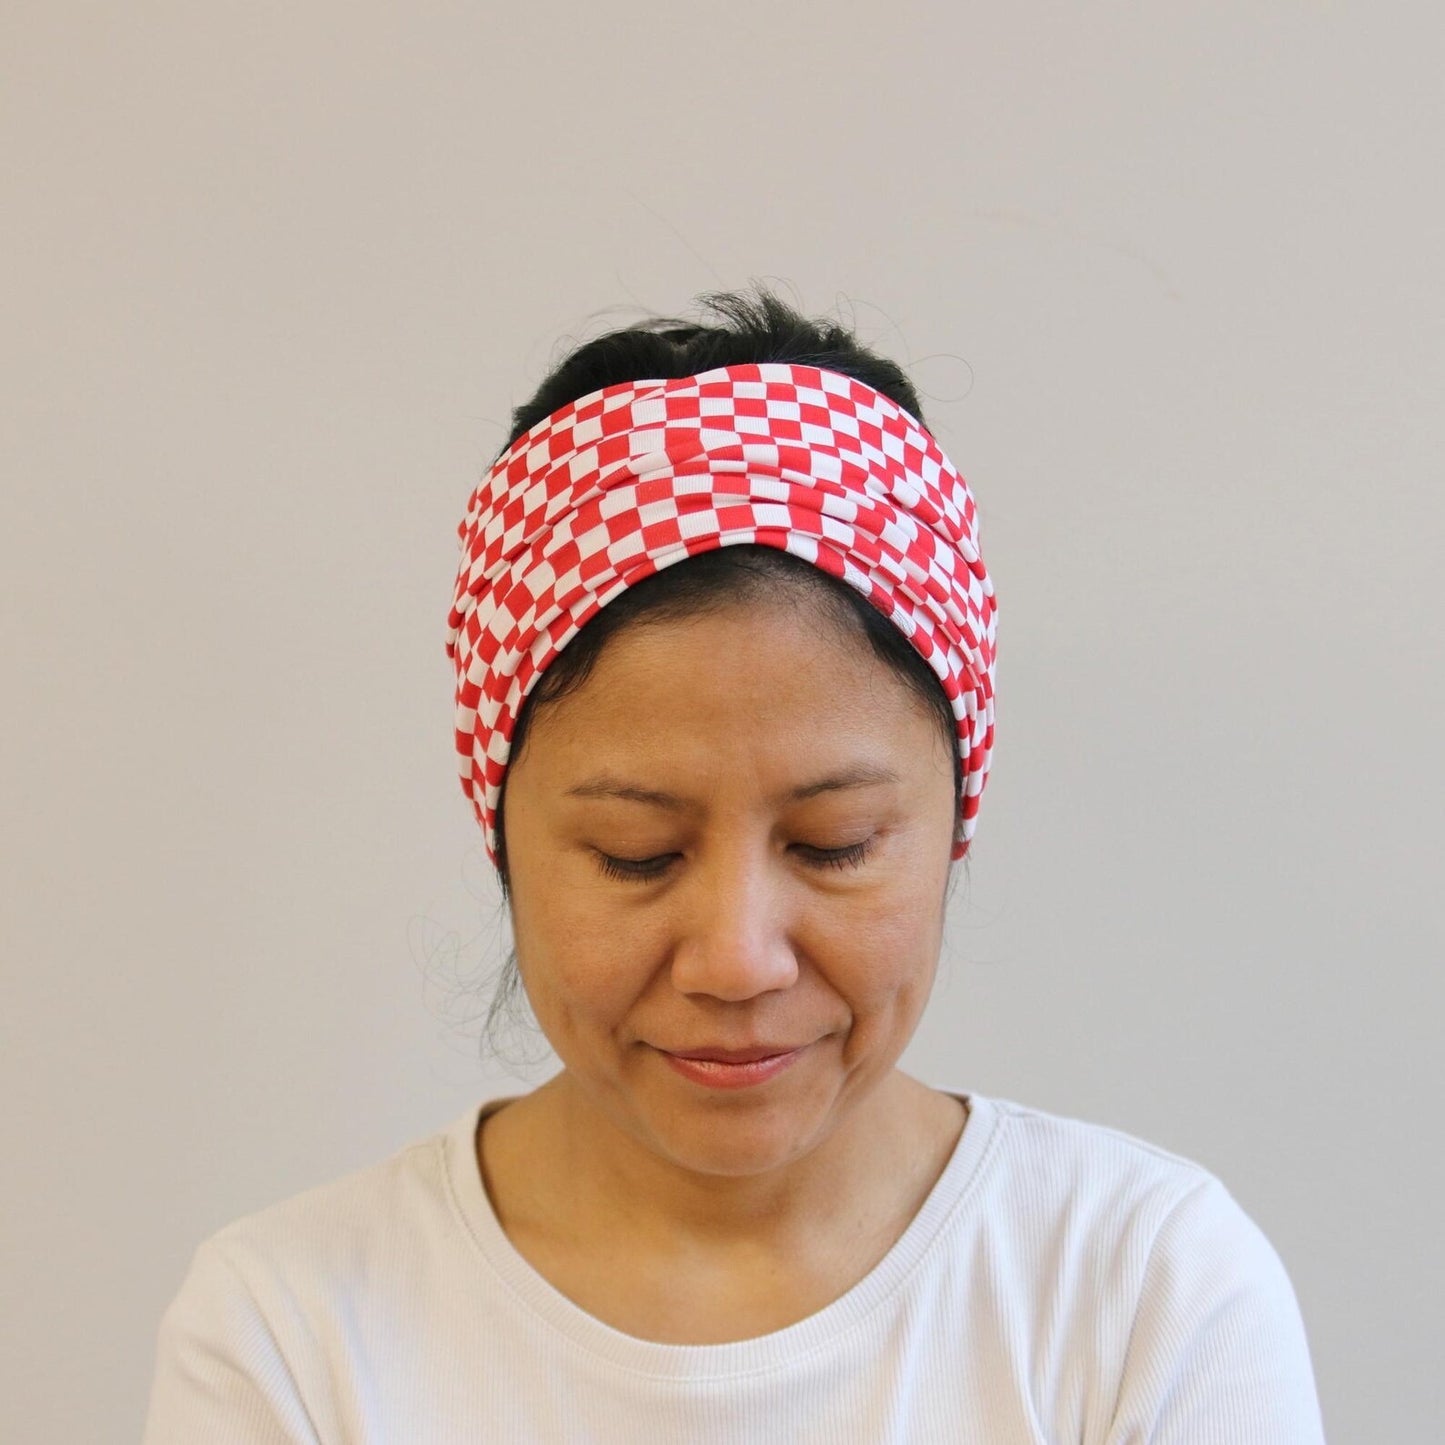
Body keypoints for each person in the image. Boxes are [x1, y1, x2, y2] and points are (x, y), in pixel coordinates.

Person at [142, 289, 1327, 1442]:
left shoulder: (1142, 1291)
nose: (736, 958)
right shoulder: (291, 1334)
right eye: (635, 853)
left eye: (833, 844)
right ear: (502, 837)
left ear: (952, 817)